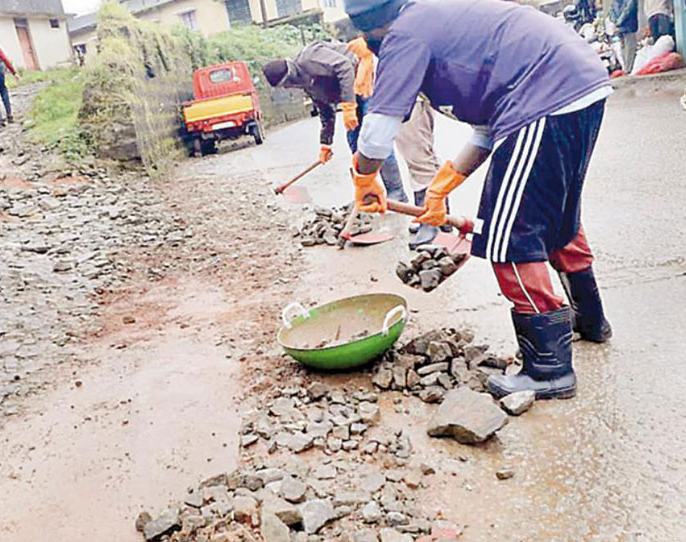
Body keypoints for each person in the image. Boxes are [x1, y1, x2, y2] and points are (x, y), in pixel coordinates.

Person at [344, 0, 613, 399]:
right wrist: (443, 186)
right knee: (552, 218)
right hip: (578, 86)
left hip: (544, 96)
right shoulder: (438, 21)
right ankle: (590, 320)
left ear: (369, 30)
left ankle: (549, 370)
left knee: (510, 238)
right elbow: (487, 130)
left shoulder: (404, 33)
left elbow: (379, 129)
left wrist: (364, 176)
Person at [262, 41, 408, 203]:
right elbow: (325, 110)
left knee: (375, 139)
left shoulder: (310, 58)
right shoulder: (306, 84)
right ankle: (369, 194)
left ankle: (396, 192)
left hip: (363, 76)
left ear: (290, 75)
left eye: (285, 84)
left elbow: (344, 66)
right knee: (355, 144)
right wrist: (326, 143)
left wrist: (348, 106)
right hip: (350, 93)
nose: (288, 88)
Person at [395, 99, 444, 248]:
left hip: (407, 93)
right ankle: (440, 216)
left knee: (416, 154)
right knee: (423, 152)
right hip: (406, 92)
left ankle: (429, 221)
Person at [611, 0, 639, 73]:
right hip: (629, 26)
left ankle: (626, 68)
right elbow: (628, 10)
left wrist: (616, 22)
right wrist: (619, 21)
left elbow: (611, 12)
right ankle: (628, 69)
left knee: (624, 48)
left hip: (620, 27)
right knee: (629, 49)